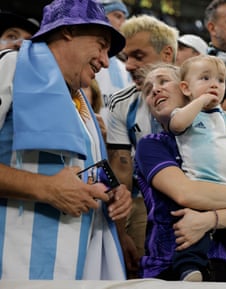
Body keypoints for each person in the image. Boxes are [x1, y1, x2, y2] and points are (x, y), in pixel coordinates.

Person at [0, 0, 132, 280]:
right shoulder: (11, 66)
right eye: (101, 44)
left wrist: (112, 193)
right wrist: (45, 188)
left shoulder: (81, 101)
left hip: (76, 267)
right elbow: (53, 182)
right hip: (12, 263)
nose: (106, 61)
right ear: (68, 30)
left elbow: (81, 173)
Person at [135, 63, 226, 283]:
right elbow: (187, 194)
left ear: (187, 88)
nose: (155, 90)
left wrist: (208, 220)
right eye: (148, 90)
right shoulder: (152, 145)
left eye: (164, 81)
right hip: (171, 271)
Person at [106, 14, 178, 277]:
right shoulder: (121, 103)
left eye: (138, 55)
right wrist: (119, 232)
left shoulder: (201, 93)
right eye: (126, 58)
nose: (128, 66)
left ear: (167, 53)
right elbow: (120, 169)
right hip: (144, 206)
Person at [95, 0, 132, 119]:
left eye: (125, 18)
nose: (123, 23)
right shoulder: (86, 61)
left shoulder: (125, 68)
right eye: (117, 16)